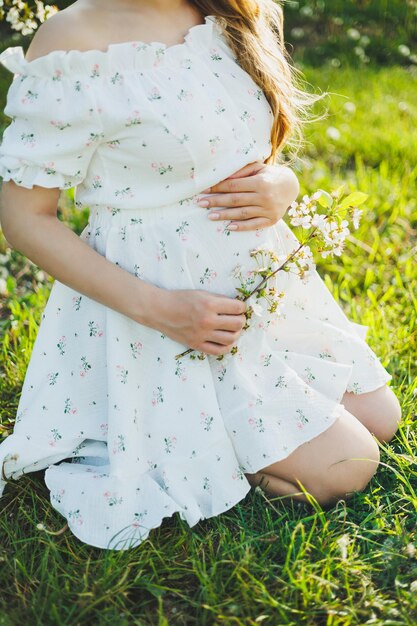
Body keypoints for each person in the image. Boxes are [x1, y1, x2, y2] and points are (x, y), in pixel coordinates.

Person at [0, 0, 402, 551]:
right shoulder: (74, 40)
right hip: (160, 307)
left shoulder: (230, 10)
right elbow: (24, 219)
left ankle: (229, 431)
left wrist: (281, 186)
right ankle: (189, 440)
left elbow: (246, 148)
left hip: (256, 288)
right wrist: (159, 309)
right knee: (350, 464)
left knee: (381, 416)